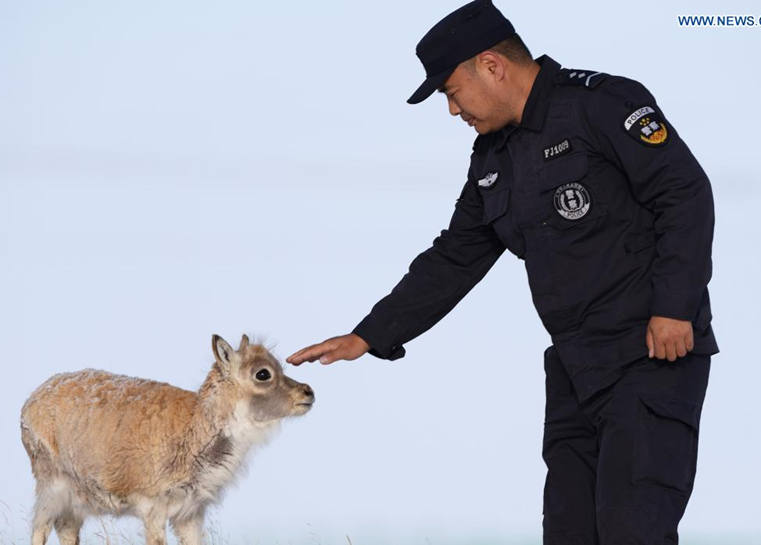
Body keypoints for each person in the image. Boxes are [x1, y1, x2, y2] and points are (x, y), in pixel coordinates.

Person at [287, 0, 720, 542]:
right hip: (575, 372)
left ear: (491, 65)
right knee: (569, 533)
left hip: (649, 356)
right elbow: (456, 255)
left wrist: (674, 307)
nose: (453, 110)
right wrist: (369, 335)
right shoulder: (492, 158)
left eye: (451, 92)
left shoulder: (602, 105)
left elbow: (684, 193)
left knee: (633, 531)